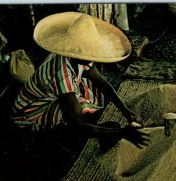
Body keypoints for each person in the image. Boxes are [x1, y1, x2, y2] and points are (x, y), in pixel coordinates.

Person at [11, 11, 149, 149]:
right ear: (77, 49)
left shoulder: (79, 56)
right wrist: (122, 133)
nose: (91, 55)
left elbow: (101, 83)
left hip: (49, 99)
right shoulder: (61, 72)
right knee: (75, 122)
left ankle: (90, 130)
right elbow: (76, 124)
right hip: (28, 118)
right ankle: (51, 138)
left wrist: (125, 111)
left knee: (88, 95)